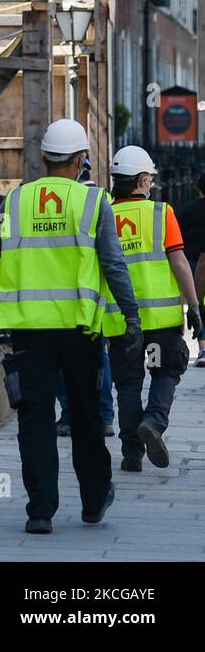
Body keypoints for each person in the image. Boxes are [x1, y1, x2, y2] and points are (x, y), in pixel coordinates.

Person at [0, 118, 139, 535]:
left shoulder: (13, 202)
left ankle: (40, 512)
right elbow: (113, 264)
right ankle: (92, 501)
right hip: (79, 330)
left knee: (34, 417)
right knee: (85, 413)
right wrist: (131, 315)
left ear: (44, 157)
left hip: (28, 330)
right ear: (82, 159)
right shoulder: (93, 202)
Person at [100, 146, 203, 472]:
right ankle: (155, 421)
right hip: (159, 323)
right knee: (164, 371)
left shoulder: (103, 216)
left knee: (128, 385)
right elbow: (179, 263)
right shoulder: (161, 213)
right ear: (143, 180)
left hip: (121, 324)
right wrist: (194, 306)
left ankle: (132, 453)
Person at [57, 154, 116, 438]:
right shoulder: (101, 199)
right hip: (94, 295)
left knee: (61, 362)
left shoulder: (71, 199)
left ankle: (69, 415)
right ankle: (103, 415)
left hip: (61, 297)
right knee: (99, 359)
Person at [174, 173, 205, 367]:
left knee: (198, 304)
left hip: (192, 261)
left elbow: (179, 239)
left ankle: (203, 347)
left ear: (198, 188)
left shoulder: (188, 210)